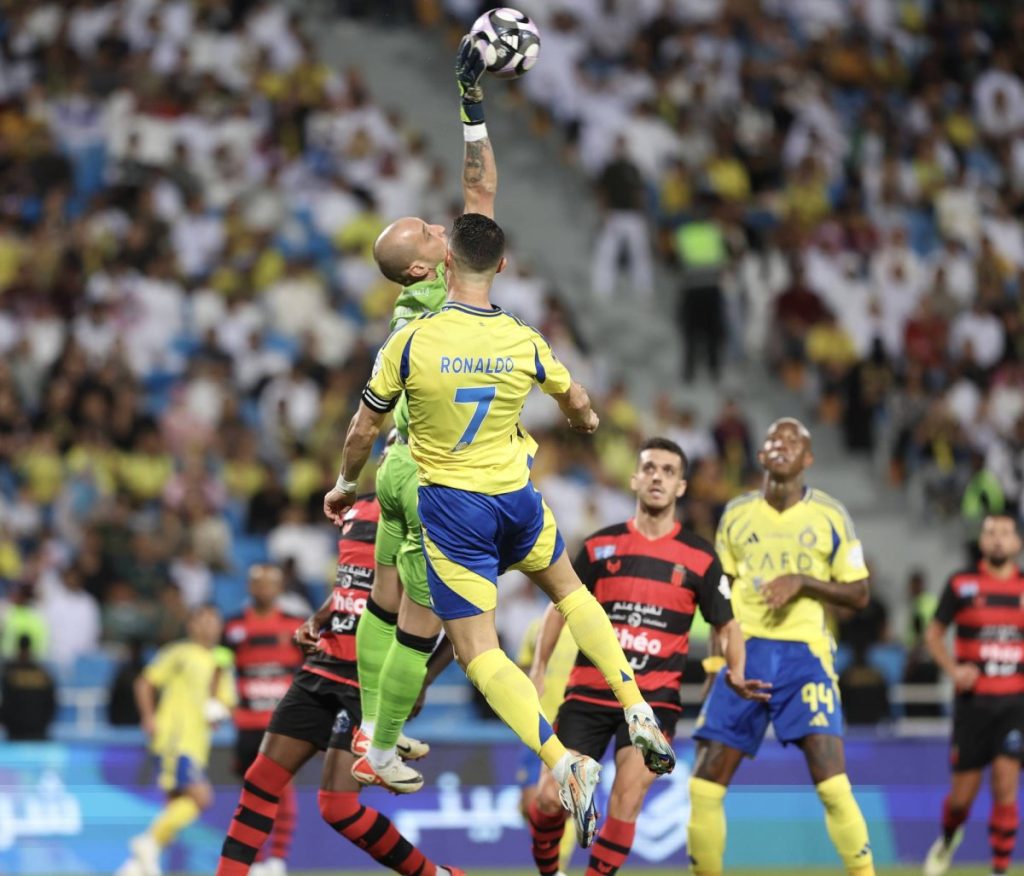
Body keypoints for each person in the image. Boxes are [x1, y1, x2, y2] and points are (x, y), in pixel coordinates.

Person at [323, 210, 677, 849]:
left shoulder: (410, 340)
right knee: (572, 594)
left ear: (445, 264)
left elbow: (361, 431)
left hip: (455, 510)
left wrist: (347, 484)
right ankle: (637, 705)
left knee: (474, 651)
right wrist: (587, 421)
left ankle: (561, 760)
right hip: (517, 498)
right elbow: (578, 403)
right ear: (503, 268)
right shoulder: (522, 336)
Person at [351, 34, 495, 794]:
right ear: (420, 265)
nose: (444, 230)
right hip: (438, 470)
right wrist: (472, 105)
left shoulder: (407, 310)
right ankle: (383, 745)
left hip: (396, 467)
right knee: (425, 622)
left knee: (381, 606)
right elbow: (483, 198)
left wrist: (349, 480)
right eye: (431, 236)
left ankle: (373, 728)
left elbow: (368, 417)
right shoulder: (447, 290)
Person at [526, 438, 767, 876]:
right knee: (547, 799)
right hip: (588, 695)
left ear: (681, 487)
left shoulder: (700, 558)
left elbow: (727, 625)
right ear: (635, 479)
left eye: (668, 471)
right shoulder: (600, 546)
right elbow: (558, 604)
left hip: (653, 703)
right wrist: (539, 667)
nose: (657, 476)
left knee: (627, 798)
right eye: (650, 468)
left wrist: (736, 669)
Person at [216, 494, 458, 876]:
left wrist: (422, 680)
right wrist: (318, 618)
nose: (390, 455)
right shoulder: (357, 507)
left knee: (337, 806)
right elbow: (353, 580)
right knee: (260, 780)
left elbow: (457, 612)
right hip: (323, 664)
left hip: (370, 678)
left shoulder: (432, 515)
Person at [687, 418, 876, 876]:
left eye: (792, 440)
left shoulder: (830, 515)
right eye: (772, 438)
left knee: (832, 784)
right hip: (743, 653)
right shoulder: (735, 514)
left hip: (804, 656)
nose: (780, 444)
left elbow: (859, 593)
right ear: (760, 454)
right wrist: (717, 666)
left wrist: (804, 583)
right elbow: (720, 600)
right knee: (704, 787)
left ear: (808, 458)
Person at [923, 514, 1024, 876]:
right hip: (973, 706)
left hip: (1015, 704)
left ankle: (1000, 868)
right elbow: (933, 634)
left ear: (1017, 543)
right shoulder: (961, 583)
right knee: (962, 798)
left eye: (1005, 533)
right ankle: (949, 837)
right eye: (990, 532)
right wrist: (953, 670)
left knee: (1005, 784)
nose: (998, 539)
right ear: (982, 542)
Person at [117, 604, 236, 876]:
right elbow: (144, 682)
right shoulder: (179, 653)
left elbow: (226, 705)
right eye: (203, 620)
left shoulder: (222, 661)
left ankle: (134, 867)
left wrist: (218, 712)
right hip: (175, 739)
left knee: (174, 806)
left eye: (214, 621)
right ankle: (148, 843)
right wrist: (148, 717)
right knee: (201, 798)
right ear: (191, 625)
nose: (209, 626)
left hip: (198, 742)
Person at [222, 565, 305, 876]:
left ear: (279, 588)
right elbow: (218, 667)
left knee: (285, 789)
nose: (263, 589)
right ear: (249, 587)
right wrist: (220, 703)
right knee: (253, 795)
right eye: (257, 583)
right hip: (246, 724)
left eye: (270, 584)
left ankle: (278, 861)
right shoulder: (233, 627)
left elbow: (311, 669)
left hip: (282, 724)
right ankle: (256, 863)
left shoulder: (296, 626)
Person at [0, 633, 56, 740]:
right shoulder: (43, 674)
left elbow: (5, 703)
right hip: (39, 732)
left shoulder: (10, 673)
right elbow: (51, 704)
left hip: (16, 733)